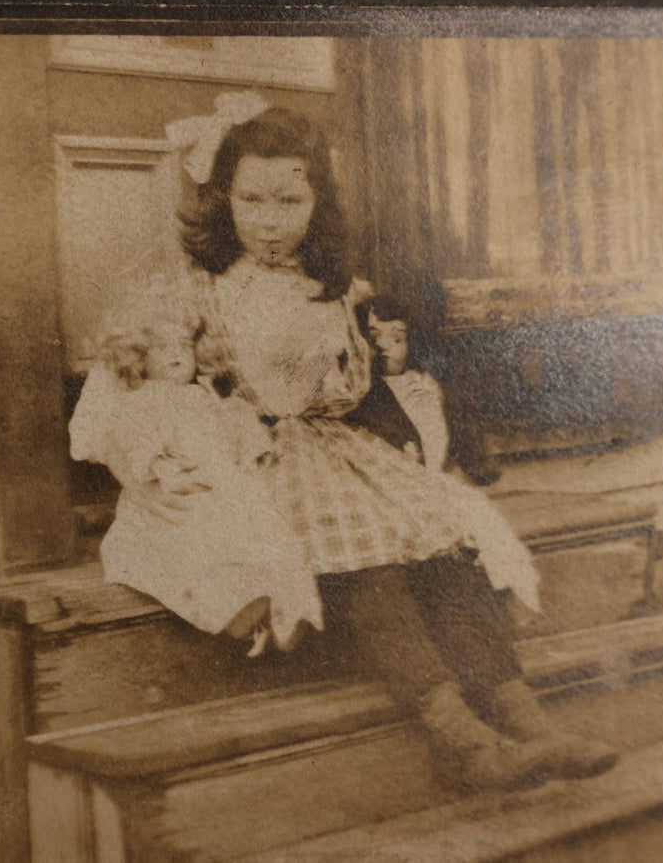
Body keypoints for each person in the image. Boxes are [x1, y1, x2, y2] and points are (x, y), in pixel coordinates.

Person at [70, 96, 617, 791]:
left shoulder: (336, 292)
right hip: (243, 462)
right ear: (223, 198)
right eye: (252, 200)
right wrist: (149, 464)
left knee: (443, 545)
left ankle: (533, 728)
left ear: (316, 201)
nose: (270, 221)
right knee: (370, 562)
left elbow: (359, 394)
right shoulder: (191, 294)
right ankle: (469, 743)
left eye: (289, 201)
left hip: (334, 451)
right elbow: (121, 402)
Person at [73, 291, 325, 655]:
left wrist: (252, 460)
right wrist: (161, 469)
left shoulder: (209, 398)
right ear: (140, 360)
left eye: (183, 346)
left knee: (265, 531)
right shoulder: (142, 400)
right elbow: (132, 449)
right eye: (162, 348)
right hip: (174, 495)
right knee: (194, 543)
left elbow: (241, 436)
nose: (177, 354)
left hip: (224, 487)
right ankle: (243, 613)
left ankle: (288, 611)